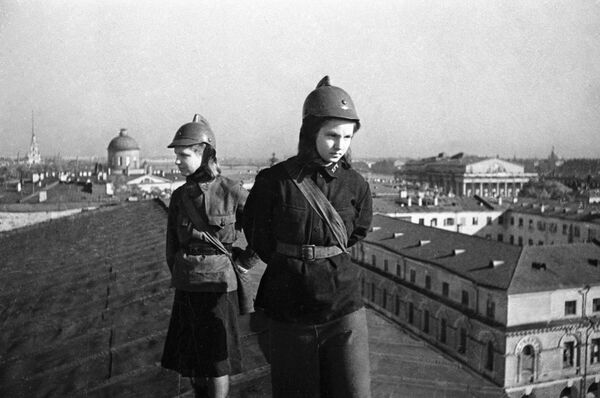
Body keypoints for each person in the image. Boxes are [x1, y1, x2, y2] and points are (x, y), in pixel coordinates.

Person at [243, 76, 373, 398]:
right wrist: (295, 261)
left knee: (353, 393)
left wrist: (322, 256)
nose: (339, 145)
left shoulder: (356, 185)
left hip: (343, 305)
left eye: (346, 137)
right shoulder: (275, 181)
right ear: (310, 131)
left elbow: (358, 230)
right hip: (290, 308)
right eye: (331, 135)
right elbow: (258, 232)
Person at [161, 114, 258, 398]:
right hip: (188, 285)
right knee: (191, 357)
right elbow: (171, 246)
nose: (177, 161)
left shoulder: (232, 191)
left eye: (183, 155)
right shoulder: (180, 197)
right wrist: (180, 272)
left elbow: (264, 227)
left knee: (217, 358)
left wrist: (245, 261)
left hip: (218, 286)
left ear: (203, 153)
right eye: (176, 155)